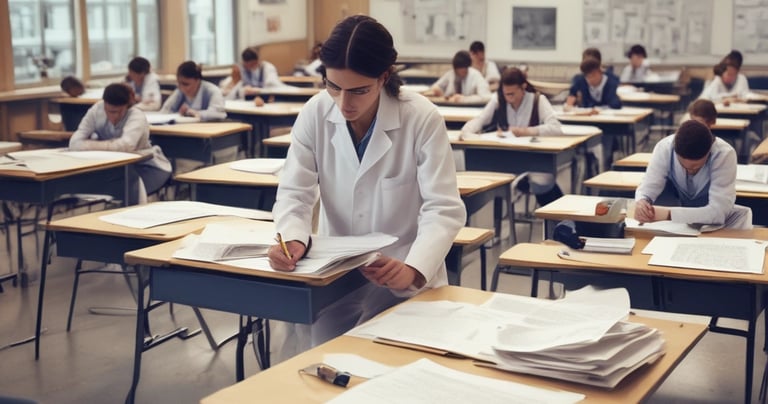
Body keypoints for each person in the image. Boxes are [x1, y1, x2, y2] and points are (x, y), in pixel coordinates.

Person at [267, 15, 466, 350]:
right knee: (326, 366)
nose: (344, 103)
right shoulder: (315, 114)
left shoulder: (421, 118)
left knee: (392, 373)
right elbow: (295, 194)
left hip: (402, 274)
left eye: (359, 90)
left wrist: (414, 270)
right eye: (334, 87)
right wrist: (293, 240)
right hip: (335, 275)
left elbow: (443, 208)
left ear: (384, 77)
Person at [461, 67, 565, 205]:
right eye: (506, 94)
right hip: (506, 158)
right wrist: (466, 132)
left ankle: (558, 218)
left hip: (533, 159)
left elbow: (556, 128)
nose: (509, 98)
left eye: (512, 94)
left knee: (545, 185)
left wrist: (527, 131)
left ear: (523, 87)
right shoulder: (498, 100)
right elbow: (480, 119)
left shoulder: (538, 100)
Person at [633, 119, 751, 229]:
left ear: (709, 151)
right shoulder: (665, 148)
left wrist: (668, 214)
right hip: (678, 226)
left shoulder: (724, 154)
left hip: (715, 227)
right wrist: (642, 202)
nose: (690, 171)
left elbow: (718, 213)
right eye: (684, 166)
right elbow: (648, 187)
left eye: (696, 167)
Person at [69, 83, 171, 205]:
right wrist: (109, 146)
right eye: (110, 111)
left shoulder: (136, 115)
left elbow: (125, 147)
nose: (114, 117)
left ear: (127, 106)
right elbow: (74, 143)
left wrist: (89, 145)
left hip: (145, 167)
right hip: (112, 168)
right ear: (104, 104)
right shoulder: (96, 110)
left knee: (125, 190)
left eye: (119, 112)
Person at [159, 61, 227, 121]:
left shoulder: (212, 91)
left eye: (186, 84)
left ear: (197, 80)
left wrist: (198, 113)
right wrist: (177, 113)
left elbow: (219, 113)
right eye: (179, 83)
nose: (181, 87)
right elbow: (165, 110)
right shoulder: (179, 91)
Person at [426, 50, 491, 103]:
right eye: (457, 72)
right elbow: (435, 87)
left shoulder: (476, 75)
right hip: (451, 106)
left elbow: (486, 97)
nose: (460, 74)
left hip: (469, 108)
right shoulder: (451, 73)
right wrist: (437, 90)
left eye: (463, 72)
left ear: (467, 68)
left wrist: (463, 99)